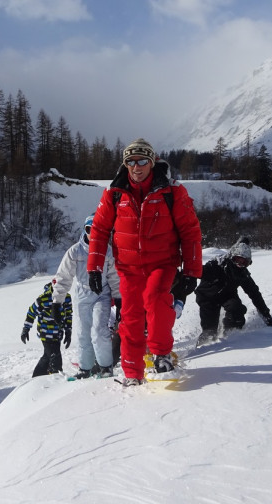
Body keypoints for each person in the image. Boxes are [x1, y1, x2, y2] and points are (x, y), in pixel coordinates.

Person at [87, 137, 203, 386]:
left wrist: (192, 271)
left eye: (141, 161)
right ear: (125, 164)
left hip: (162, 263)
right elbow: (98, 230)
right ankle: (132, 372)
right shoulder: (114, 193)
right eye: (130, 161)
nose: (136, 167)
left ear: (151, 162)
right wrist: (94, 268)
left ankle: (161, 355)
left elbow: (190, 231)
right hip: (128, 269)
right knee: (129, 317)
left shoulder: (172, 191)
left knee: (155, 300)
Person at [52, 215, 120, 378]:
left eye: (96, 230)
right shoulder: (75, 251)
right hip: (82, 294)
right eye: (89, 230)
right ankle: (85, 368)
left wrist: (118, 298)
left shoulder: (107, 250)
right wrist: (57, 302)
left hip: (101, 294)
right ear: (85, 230)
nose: (93, 233)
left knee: (99, 330)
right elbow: (63, 276)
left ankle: (105, 367)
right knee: (83, 332)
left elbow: (114, 276)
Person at [195, 236, 272, 344]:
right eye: (238, 260)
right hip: (207, 298)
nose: (240, 265)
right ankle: (203, 347)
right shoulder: (216, 265)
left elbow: (254, 294)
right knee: (210, 332)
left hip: (228, 296)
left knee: (237, 310)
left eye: (244, 263)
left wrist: (266, 314)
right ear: (232, 257)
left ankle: (230, 338)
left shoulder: (242, 274)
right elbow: (194, 272)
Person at [21, 282, 73, 377]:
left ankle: (40, 376)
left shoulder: (67, 298)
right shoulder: (43, 299)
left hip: (57, 333)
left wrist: (68, 332)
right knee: (54, 355)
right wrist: (26, 329)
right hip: (45, 332)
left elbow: (68, 315)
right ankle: (55, 375)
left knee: (48, 355)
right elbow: (31, 313)